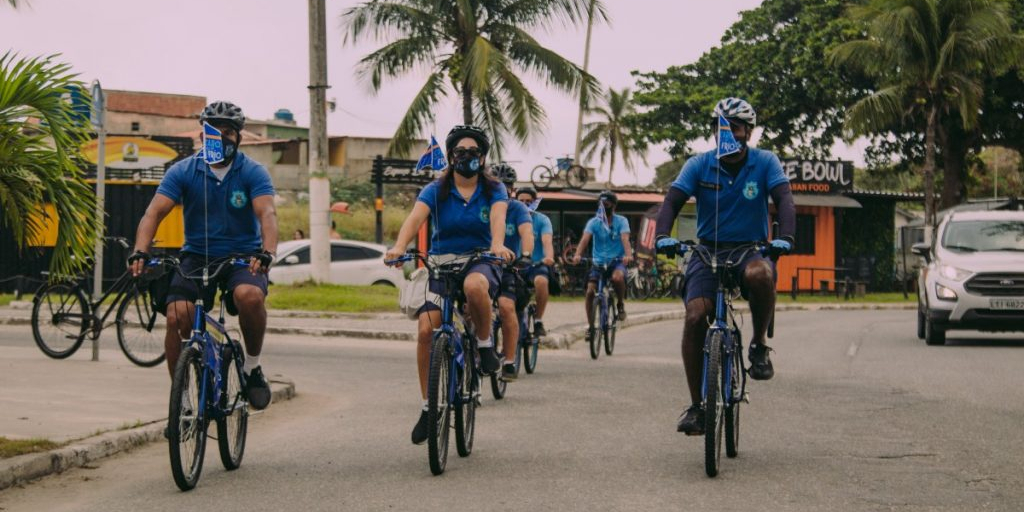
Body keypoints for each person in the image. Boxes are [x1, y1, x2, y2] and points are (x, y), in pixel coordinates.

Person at [654, 97, 795, 435]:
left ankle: (759, 345)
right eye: (722, 127)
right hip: (707, 252)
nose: (729, 132)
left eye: (735, 126)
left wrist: (785, 237)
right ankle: (698, 408)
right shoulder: (699, 164)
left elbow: (784, 200)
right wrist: (662, 235)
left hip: (749, 249)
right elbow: (672, 201)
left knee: (761, 274)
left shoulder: (765, 162)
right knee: (694, 316)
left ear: (748, 131)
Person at [129, 100, 276, 411]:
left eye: (228, 132)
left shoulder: (252, 171)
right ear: (202, 135)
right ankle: (180, 400)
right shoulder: (183, 171)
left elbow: (267, 214)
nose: (221, 138)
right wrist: (140, 251)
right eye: (214, 131)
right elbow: (153, 213)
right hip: (196, 257)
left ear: (239, 136)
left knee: (250, 296)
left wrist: (267, 253)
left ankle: (252, 368)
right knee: (175, 316)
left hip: (243, 256)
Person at [384, 125, 514, 445]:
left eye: (473, 153)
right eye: (460, 152)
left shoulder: (494, 188)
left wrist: (498, 245)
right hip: (441, 263)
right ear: (451, 156)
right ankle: (429, 407)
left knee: (474, 287)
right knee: (427, 330)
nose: (466, 157)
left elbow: (498, 218)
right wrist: (399, 247)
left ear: (482, 157)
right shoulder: (435, 189)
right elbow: (415, 219)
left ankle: (484, 345)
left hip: (480, 258)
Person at [571, 190, 633, 344]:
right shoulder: (594, 222)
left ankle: (620, 304)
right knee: (590, 291)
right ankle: (591, 327)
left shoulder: (622, 221)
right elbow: (585, 239)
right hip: (598, 263)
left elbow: (625, 239)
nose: (604, 207)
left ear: (613, 205)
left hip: (616, 261)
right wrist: (578, 254)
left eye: (607, 204)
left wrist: (628, 255)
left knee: (617, 277)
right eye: (601, 204)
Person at [492, 163, 534, 382]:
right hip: (480, 265)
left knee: (507, 307)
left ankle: (509, 361)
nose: (503, 189)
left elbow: (526, 232)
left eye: (507, 185)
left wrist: (526, 254)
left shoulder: (518, 208)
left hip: (507, 267)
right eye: (498, 184)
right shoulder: (480, 204)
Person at [515, 186, 555, 336]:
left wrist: (549, 257)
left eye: (528, 201)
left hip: (535, 265)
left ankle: (538, 320)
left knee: (541, 282)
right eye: (521, 201)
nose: (525, 204)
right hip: (514, 265)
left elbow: (547, 242)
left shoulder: (542, 220)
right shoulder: (508, 217)